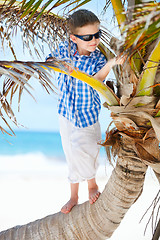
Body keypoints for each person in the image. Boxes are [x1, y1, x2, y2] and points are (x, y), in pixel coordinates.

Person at [46, 9, 125, 214]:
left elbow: (97, 80)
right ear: (74, 38)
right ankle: (73, 196)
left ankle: (92, 185)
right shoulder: (64, 49)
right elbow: (50, 60)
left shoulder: (97, 58)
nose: (94, 40)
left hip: (87, 116)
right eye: (87, 37)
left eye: (97, 35)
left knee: (86, 151)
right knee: (71, 154)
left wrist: (111, 63)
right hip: (65, 113)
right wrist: (61, 65)